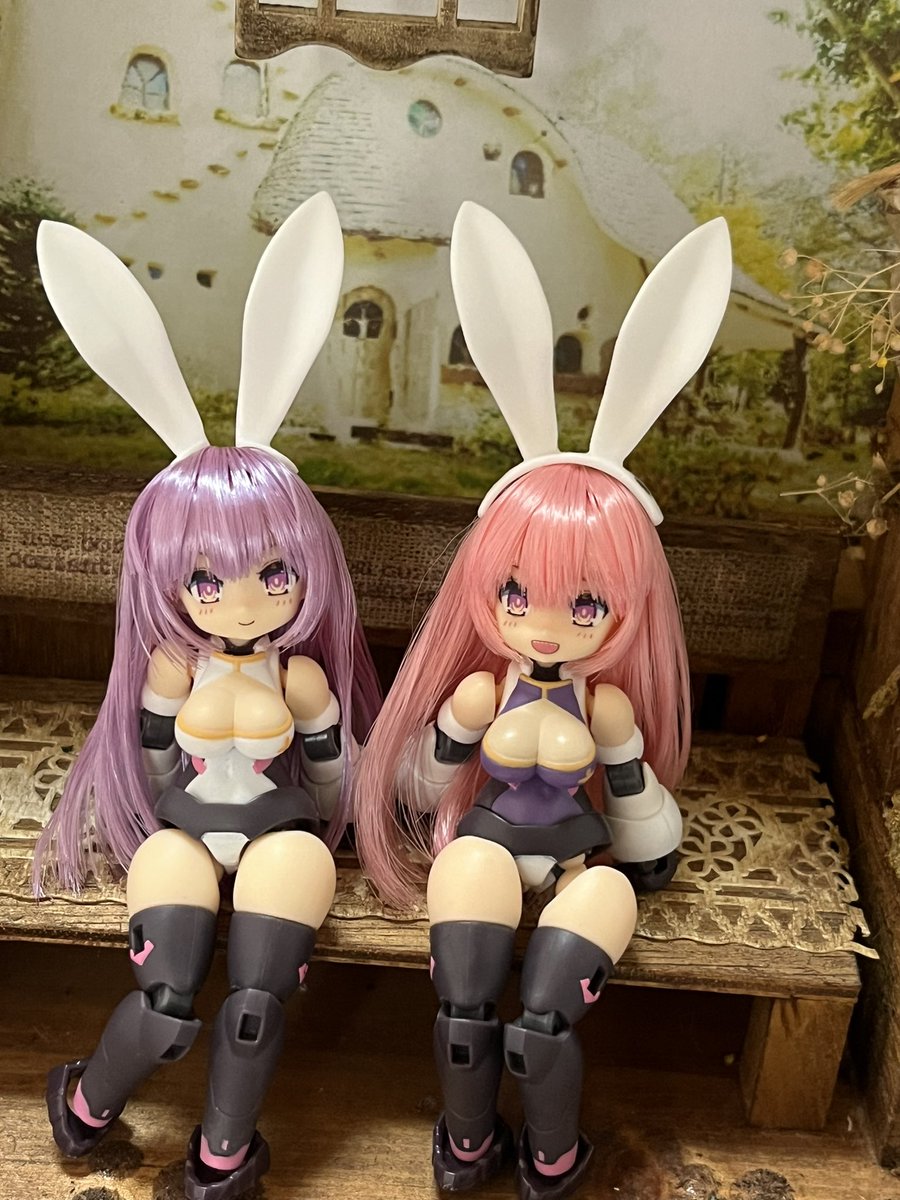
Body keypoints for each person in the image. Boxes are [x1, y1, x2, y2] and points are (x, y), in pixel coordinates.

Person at [356, 202, 731, 1199]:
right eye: (517, 596)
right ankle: (465, 1141)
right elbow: (413, 788)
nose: (546, 625)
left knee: (545, 1021)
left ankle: (554, 1155)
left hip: (578, 858)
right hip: (482, 843)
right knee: (464, 1009)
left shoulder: (605, 710)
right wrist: (451, 731)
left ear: (628, 610)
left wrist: (631, 781)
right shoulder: (483, 687)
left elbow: (649, 838)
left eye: (586, 604)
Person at [33, 194, 381, 1200]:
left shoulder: (299, 674)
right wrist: (158, 738)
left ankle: (224, 1156)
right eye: (204, 579)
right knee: (169, 994)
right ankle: (86, 1103)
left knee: (256, 1002)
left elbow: (333, 778)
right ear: (170, 580)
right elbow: (149, 765)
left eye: (273, 575)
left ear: (305, 568)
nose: (241, 599)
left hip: (282, 832)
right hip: (183, 830)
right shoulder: (170, 670)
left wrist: (339, 804)